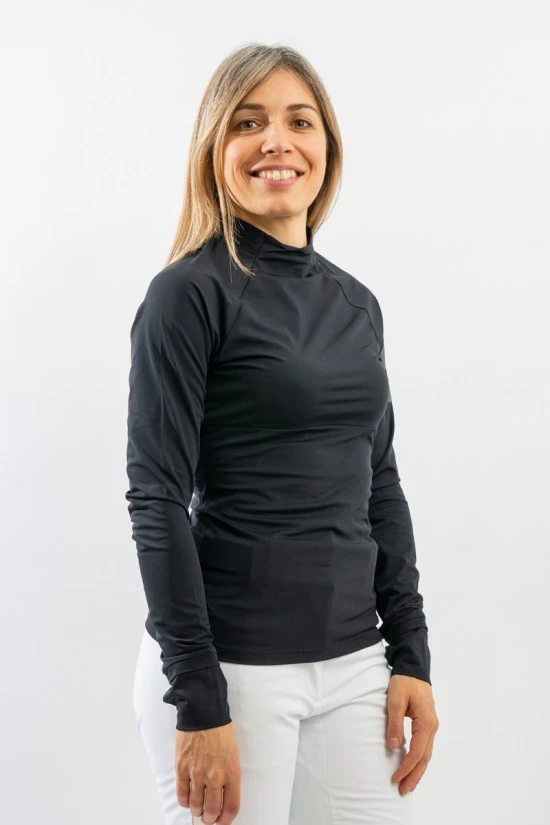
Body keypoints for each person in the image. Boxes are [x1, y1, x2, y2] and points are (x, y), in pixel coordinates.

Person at [126, 42, 439, 825]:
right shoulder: (187, 295)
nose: (277, 141)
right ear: (215, 148)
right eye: (248, 122)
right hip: (232, 669)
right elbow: (156, 497)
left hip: (356, 667)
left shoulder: (356, 304)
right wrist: (198, 696)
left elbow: (380, 485)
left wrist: (411, 654)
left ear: (327, 146)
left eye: (300, 121)